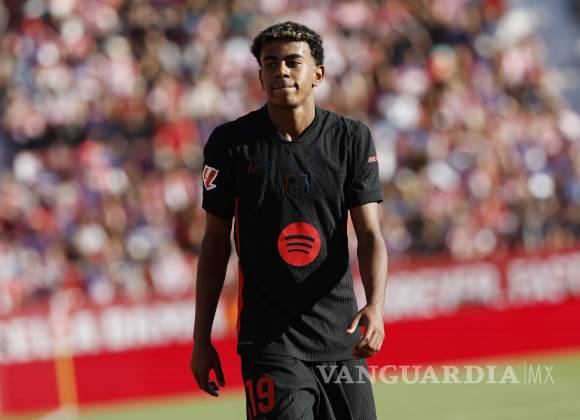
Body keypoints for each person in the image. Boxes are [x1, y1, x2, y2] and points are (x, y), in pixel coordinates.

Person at [191, 21, 388, 419]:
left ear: (318, 73)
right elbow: (214, 244)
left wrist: (376, 305)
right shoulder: (230, 145)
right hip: (269, 341)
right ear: (260, 76)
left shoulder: (351, 139)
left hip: (341, 336)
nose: (281, 70)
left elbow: (369, 234)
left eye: (292, 62)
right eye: (271, 63)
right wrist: (201, 338)